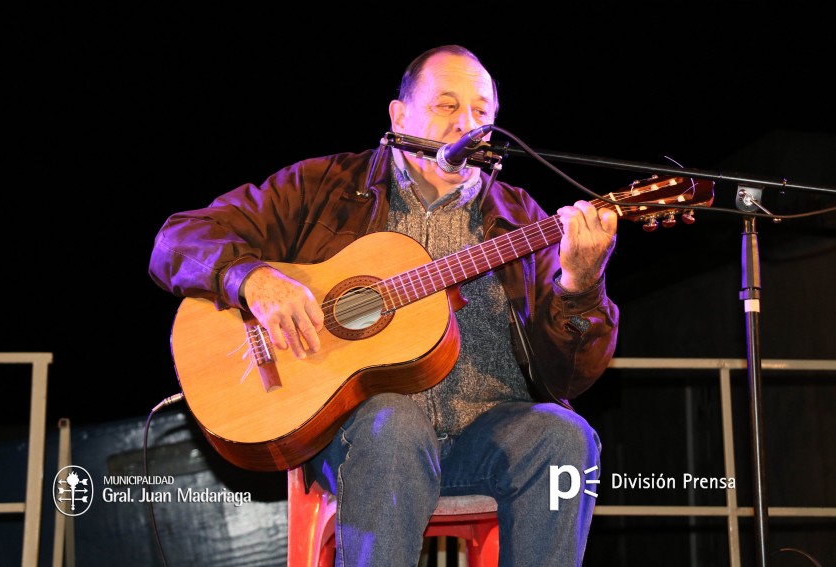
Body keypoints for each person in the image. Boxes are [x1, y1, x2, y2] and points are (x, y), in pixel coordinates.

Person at [149, 44, 619, 566]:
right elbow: (178, 239)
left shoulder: (521, 219)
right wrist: (254, 281)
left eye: (482, 114)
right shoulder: (323, 187)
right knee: (393, 421)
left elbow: (573, 376)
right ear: (399, 115)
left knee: (566, 438)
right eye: (446, 105)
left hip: (486, 435)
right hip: (359, 436)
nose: (467, 124)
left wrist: (582, 284)